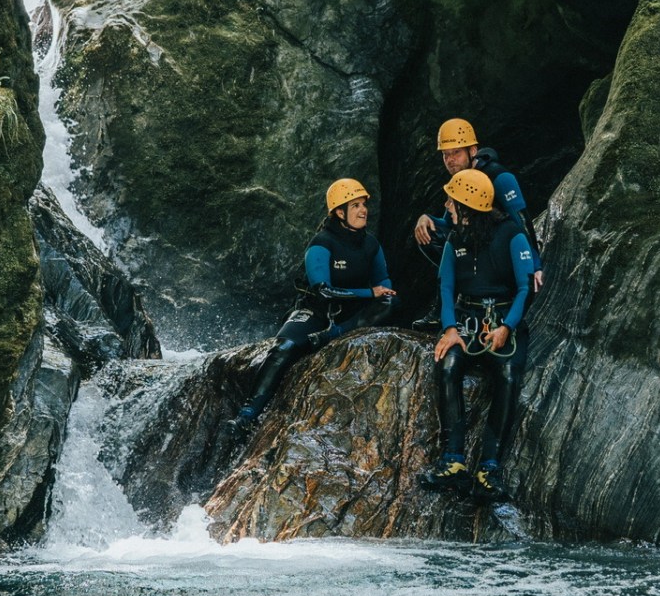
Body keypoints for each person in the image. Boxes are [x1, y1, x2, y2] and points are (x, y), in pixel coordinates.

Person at [229, 179, 398, 430]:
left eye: (363, 205)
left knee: (390, 302)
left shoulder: (371, 243)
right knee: (284, 347)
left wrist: (383, 291)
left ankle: (332, 336)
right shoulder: (322, 243)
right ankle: (248, 413)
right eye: (355, 206)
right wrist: (369, 292)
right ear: (340, 212)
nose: (363, 211)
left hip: (349, 316)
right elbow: (324, 291)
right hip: (317, 310)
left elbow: (382, 281)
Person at [421, 168, 536, 502]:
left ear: (467, 209)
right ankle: (453, 461)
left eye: (452, 202)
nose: (447, 207)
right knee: (447, 363)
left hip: (503, 320)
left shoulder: (511, 235)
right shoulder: (455, 240)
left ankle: (489, 468)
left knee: (508, 374)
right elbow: (445, 286)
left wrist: (506, 327)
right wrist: (450, 330)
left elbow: (525, 287)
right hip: (467, 320)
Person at [413, 117, 543, 304]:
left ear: (472, 151)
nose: (450, 160)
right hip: (476, 251)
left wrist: (535, 266)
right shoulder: (459, 181)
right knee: (428, 233)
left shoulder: (499, 176)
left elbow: (521, 221)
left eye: (456, 153)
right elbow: (449, 225)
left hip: (499, 251)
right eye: (445, 155)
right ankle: (455, 295)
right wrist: (425, 219)